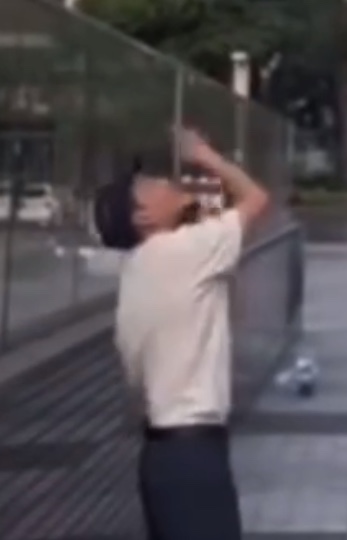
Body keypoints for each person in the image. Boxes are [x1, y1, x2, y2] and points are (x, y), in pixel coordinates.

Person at [95, 127, 270, 540]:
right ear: (144, 217)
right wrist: (206, 156)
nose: (165, 181)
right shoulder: (183, 253)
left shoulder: (141, 267)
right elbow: (256, 199)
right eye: (149, 185)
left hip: (165, 456)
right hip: (192, 457)